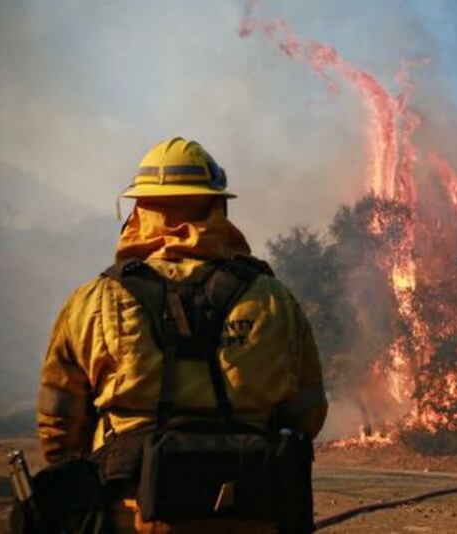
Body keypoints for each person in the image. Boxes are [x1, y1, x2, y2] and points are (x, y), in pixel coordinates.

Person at [35, 137, 327, 533]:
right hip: (251, 512)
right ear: (217, 207)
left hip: (132, 517)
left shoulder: (92, 301)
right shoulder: (275, 300)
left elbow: (58, 428)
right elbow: (307, 412)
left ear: (138, 210)